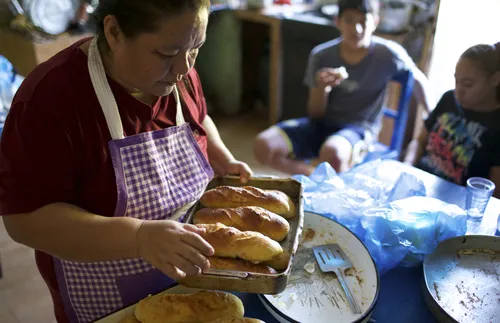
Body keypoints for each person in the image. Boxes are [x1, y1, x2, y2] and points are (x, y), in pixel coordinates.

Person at [0, 0, 253, 322]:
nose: (183, 69)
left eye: (196, 48)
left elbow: (199, 118)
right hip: (105, 294)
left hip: (192, 277)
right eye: (164, 54)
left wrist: (222, 157)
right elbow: (25, 221)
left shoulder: (180, 66)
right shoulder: (51, 98)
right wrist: (138, 237)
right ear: (114, 31)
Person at [254, 0, 435, 175]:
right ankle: (314, 176)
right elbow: (315, 114)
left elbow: (418, 78)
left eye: (363, 21)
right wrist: (322, 89)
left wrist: (432, 118)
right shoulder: (321, 55)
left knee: (332, 153)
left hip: (359, 128)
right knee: (263, 146)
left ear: (375, 22)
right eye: (349, 21)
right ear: (337, 21)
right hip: (321, 124)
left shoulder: (388, 54)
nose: (356, 29)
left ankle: (324, 178)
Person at [404, 43, 500, 195]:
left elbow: (494, 194)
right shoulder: (449, 99)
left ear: (495, 79)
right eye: (457, 81)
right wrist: (407, 165)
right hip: (421, 185)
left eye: (468, 84)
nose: (458, 91)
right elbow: (420, 141)